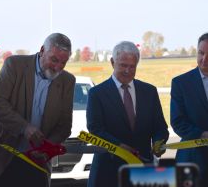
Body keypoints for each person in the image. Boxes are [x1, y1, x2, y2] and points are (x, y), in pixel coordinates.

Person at [0, 33, 76, 187]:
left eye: (63, 62)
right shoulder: (14, 65)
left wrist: (48, 148)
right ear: (42, 50)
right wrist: (24, 128)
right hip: (0, 160)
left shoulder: (68, 81)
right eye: (54, 59)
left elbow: (64, 125)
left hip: (36, 163)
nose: (58, 67)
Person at [86, 41, 169, 187]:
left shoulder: (149, 92)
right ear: (112, 62)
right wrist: (118, 147)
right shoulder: (96, 94)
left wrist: (158, 142)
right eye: (123, 65)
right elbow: (95, 129)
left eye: (132, 67)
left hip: (142, 169)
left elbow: (160, 127)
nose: (127, 71)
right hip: (108, 171)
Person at [170, 33, 208, 186]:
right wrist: (203, 135)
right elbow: (178, 122)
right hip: (192, 160)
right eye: (201, 53)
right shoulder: (181, 83)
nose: (204, 59)